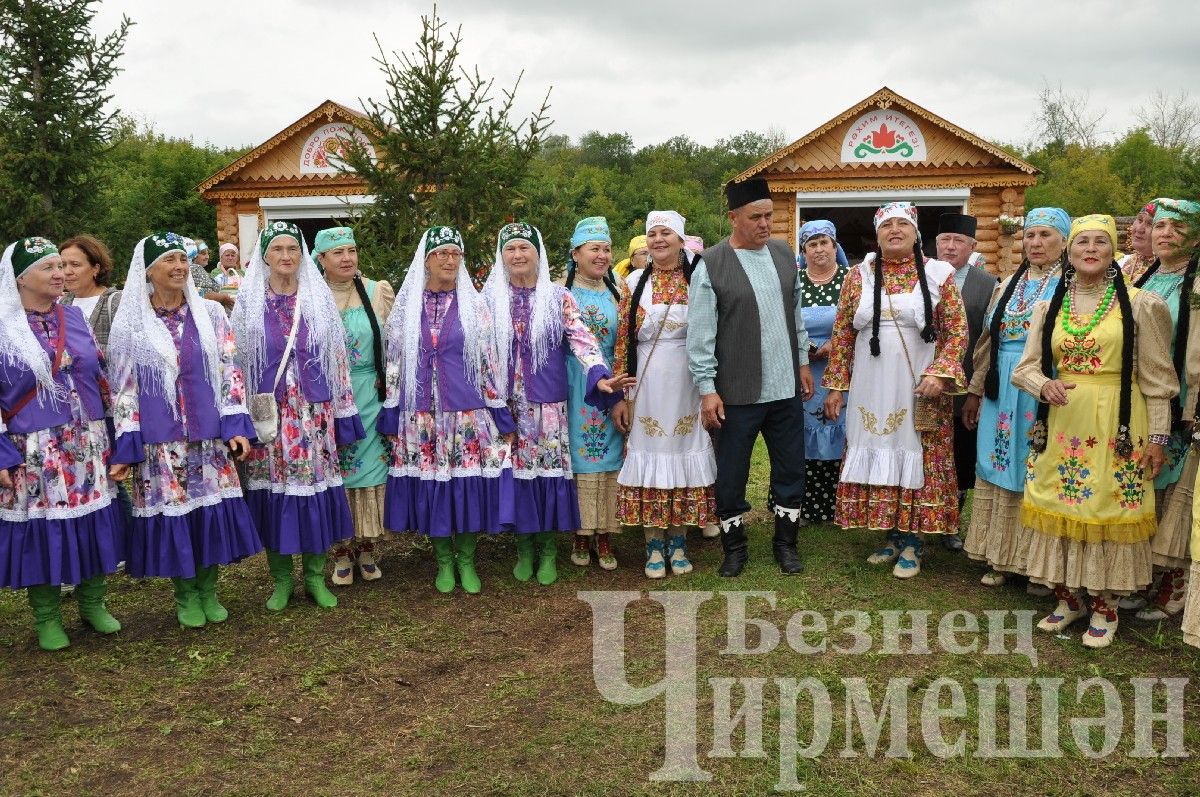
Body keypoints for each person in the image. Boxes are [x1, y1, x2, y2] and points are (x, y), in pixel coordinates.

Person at [1013, 214, 1177, 648]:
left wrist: (1158, 439)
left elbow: (1159, 380)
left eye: (1100, 243)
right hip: (1061, 422)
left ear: (1113, 252)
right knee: (1056, 501)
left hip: (1118, 424)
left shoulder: (1142, 305)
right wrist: (1042, 384)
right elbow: (1024, 367)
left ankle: (1104, 605)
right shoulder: (1049, 306)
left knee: (1106, 509)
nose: (1090, 249)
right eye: (1082, 242)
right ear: (1069, 252)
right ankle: (1068, 598)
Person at [107, 232, 260, 627]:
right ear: (148, 271)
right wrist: (127, 446)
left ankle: (209, 590)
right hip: (161, 442)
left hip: (207, 436)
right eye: (168, 260)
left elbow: (230, 371)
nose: (178, 266)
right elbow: (122, 389)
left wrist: (236, 425)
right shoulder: (131, 325)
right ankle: (186, 593)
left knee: (210, 516)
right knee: (176, 517)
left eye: (182, 258)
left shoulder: (211, 314)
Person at [823, 202, 969, 579]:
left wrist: (940, 373)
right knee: (880, 447)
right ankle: (892, 532)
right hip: (871, 383)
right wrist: (837, 387)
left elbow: (956, 332)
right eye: (887, 225)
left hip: (919, 384)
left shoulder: (939, 274)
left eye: (903, 224)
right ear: (878, 233)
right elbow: (842, 333)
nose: (895, 230)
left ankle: (915, 540)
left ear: (916, 232)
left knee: (917, 454)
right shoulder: (859, 275)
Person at [484, 221, 630, 586]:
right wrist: (492, 402)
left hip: (547, 404)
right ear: (501, 255)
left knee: (547, 475)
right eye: (511, 248)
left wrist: (599, 375)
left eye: (525, 248)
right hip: (505, 406)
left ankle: (548, 550)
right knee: (516, 477)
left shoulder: (557, 297)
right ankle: (524, 550)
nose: (518, 255)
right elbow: (480, 356)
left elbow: (582, 339)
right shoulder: (487, 300)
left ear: (539, 254)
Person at [232, 221, 364, 611]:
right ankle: (281, 581)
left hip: (314, 415)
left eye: (293, 249)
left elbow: (338, 360)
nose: (286, 256)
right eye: (278, 250)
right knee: (275, 495)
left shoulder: (318, 298)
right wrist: (239, 417)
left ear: (302, 255)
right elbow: (235, 364)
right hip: (270, 418)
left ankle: (314, 578)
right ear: (265, 256)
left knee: (315, 493)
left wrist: (343, 413)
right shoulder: (250, 302)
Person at [0, 237, 125, 650]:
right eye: (48, 268)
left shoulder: (74, 318)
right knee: (43, 529)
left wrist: (116, 435)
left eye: (61, 266)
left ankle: (92, 602)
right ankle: (47, 615)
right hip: (35, 445)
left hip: (86, 439)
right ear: (20, 279)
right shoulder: (3, 325)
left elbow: (99, 377)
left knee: (93, 521)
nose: (60, 274)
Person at [380, 226, 516, 593]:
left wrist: (498, 410)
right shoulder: (407, 309)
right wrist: (391, 410)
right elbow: (394, 362)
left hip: (466, 413)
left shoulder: (475, 307)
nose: (450, 260)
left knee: (467, 485)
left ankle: (467, 560)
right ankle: (443, 561)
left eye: (455, 254)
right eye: (442, 253)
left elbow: (488, 363)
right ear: (425, 260)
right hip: (420, 415)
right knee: (433, 488)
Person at [689, 179, 814, 577]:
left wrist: (802, 362)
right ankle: (735, 548)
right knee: (732, 473)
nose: (765, 224)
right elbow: (701, 333)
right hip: (737, 391)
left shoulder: (782, 254)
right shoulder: (710, 263)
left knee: (791, 467)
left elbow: (794, 315)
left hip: (784, 389)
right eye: (755, 217)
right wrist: (708, 389)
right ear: (733, 218)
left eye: (769, 216)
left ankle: (786, 545)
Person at [962, 208, 1069, 589]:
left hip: (1043, 384)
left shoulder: (1071, 286)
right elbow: (988, 342)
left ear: (1064, 241)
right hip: (999, 385)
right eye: (1030, 235)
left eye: (1045, 235)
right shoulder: (1007, 282)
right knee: (997, 464)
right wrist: (976, 390)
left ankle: (1035, 564)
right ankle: (1002, 556)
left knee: (1034, 468)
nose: (1036, 243)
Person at [614, 210, 717, 578]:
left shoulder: (699, 279)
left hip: (688, 382)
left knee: (681, 454)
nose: (658, 240)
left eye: (666, 233)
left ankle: (679, 540)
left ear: (680, 239)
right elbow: (622, 342)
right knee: (652, 455)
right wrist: (621, 395)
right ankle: (653, 544)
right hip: (647, 383)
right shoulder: (633, 282)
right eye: (652, 233)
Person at [1121, 199, 1200, 619]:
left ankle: (1176, 580)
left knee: (1176, 490)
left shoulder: (1197, 282)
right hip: (1141, 397)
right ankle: (1147, 573)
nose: (1165, 233)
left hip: (1182, 399)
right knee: (1149, 484)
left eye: (1177, 227)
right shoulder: (1146, 278)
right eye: (1161, 226)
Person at [314, 226, 395, 585]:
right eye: (337, 253)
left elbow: (394, 343)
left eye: (352, 250)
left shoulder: (378, 291)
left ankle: (366, 546)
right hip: (328, 396)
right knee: (338, 468)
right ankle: (341, 550)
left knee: (371, 470)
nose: (347, 258)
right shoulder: (311, 296)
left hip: (370, 390)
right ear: (321, 260)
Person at [563, 217, 628, 571]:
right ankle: (581, 532)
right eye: (594, 249)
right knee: (582, 454)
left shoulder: (620, 288)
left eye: (606, 249)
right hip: (577, 384)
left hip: (615, 383)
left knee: (612, 453)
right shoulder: (562, 291)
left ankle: (606, 532)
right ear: (576, 253)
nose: (602, 256)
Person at [935, 213, 998, 551]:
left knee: (959, 456)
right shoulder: (922, 275)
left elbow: (987, 342)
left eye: (958, 241)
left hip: (963, 388)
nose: (950, 246)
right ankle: (915, 522)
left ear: (972, 246)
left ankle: (950, 525)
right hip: (923, 385)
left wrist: (975, 391)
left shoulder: (987, 284)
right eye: (945, 239)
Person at [794, 219, 850, 523]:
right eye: (811, 244)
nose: (818, 249)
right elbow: (784, 323)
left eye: (824, 243)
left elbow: (859, 324)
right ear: (804, 250)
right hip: (802, 370)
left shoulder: (851, 280)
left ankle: (835, 506)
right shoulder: (794, 281)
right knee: (800, 435)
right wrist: (803, 349)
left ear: (834, 246)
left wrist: (835, 344)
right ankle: (801, 506)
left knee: (837, 429)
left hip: (839, 372)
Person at [60, 234, 122, 354]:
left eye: (75, 264)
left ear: (95, 269)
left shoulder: (116, 303)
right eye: (62, 265)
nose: (67, 271)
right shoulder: (62, 303)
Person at [188, 237, 234, 311]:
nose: (207, 257)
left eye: (207, 253)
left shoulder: (196, 269)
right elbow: (203, 294)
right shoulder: (195, 268)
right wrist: (224, 297)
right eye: (203, 254)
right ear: (194, 255)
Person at [1120, 200, 1159, 283]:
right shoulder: (1120, 262)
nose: (1139, 229)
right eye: (1140, 220)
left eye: (1150, 224)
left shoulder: (1166, 271)